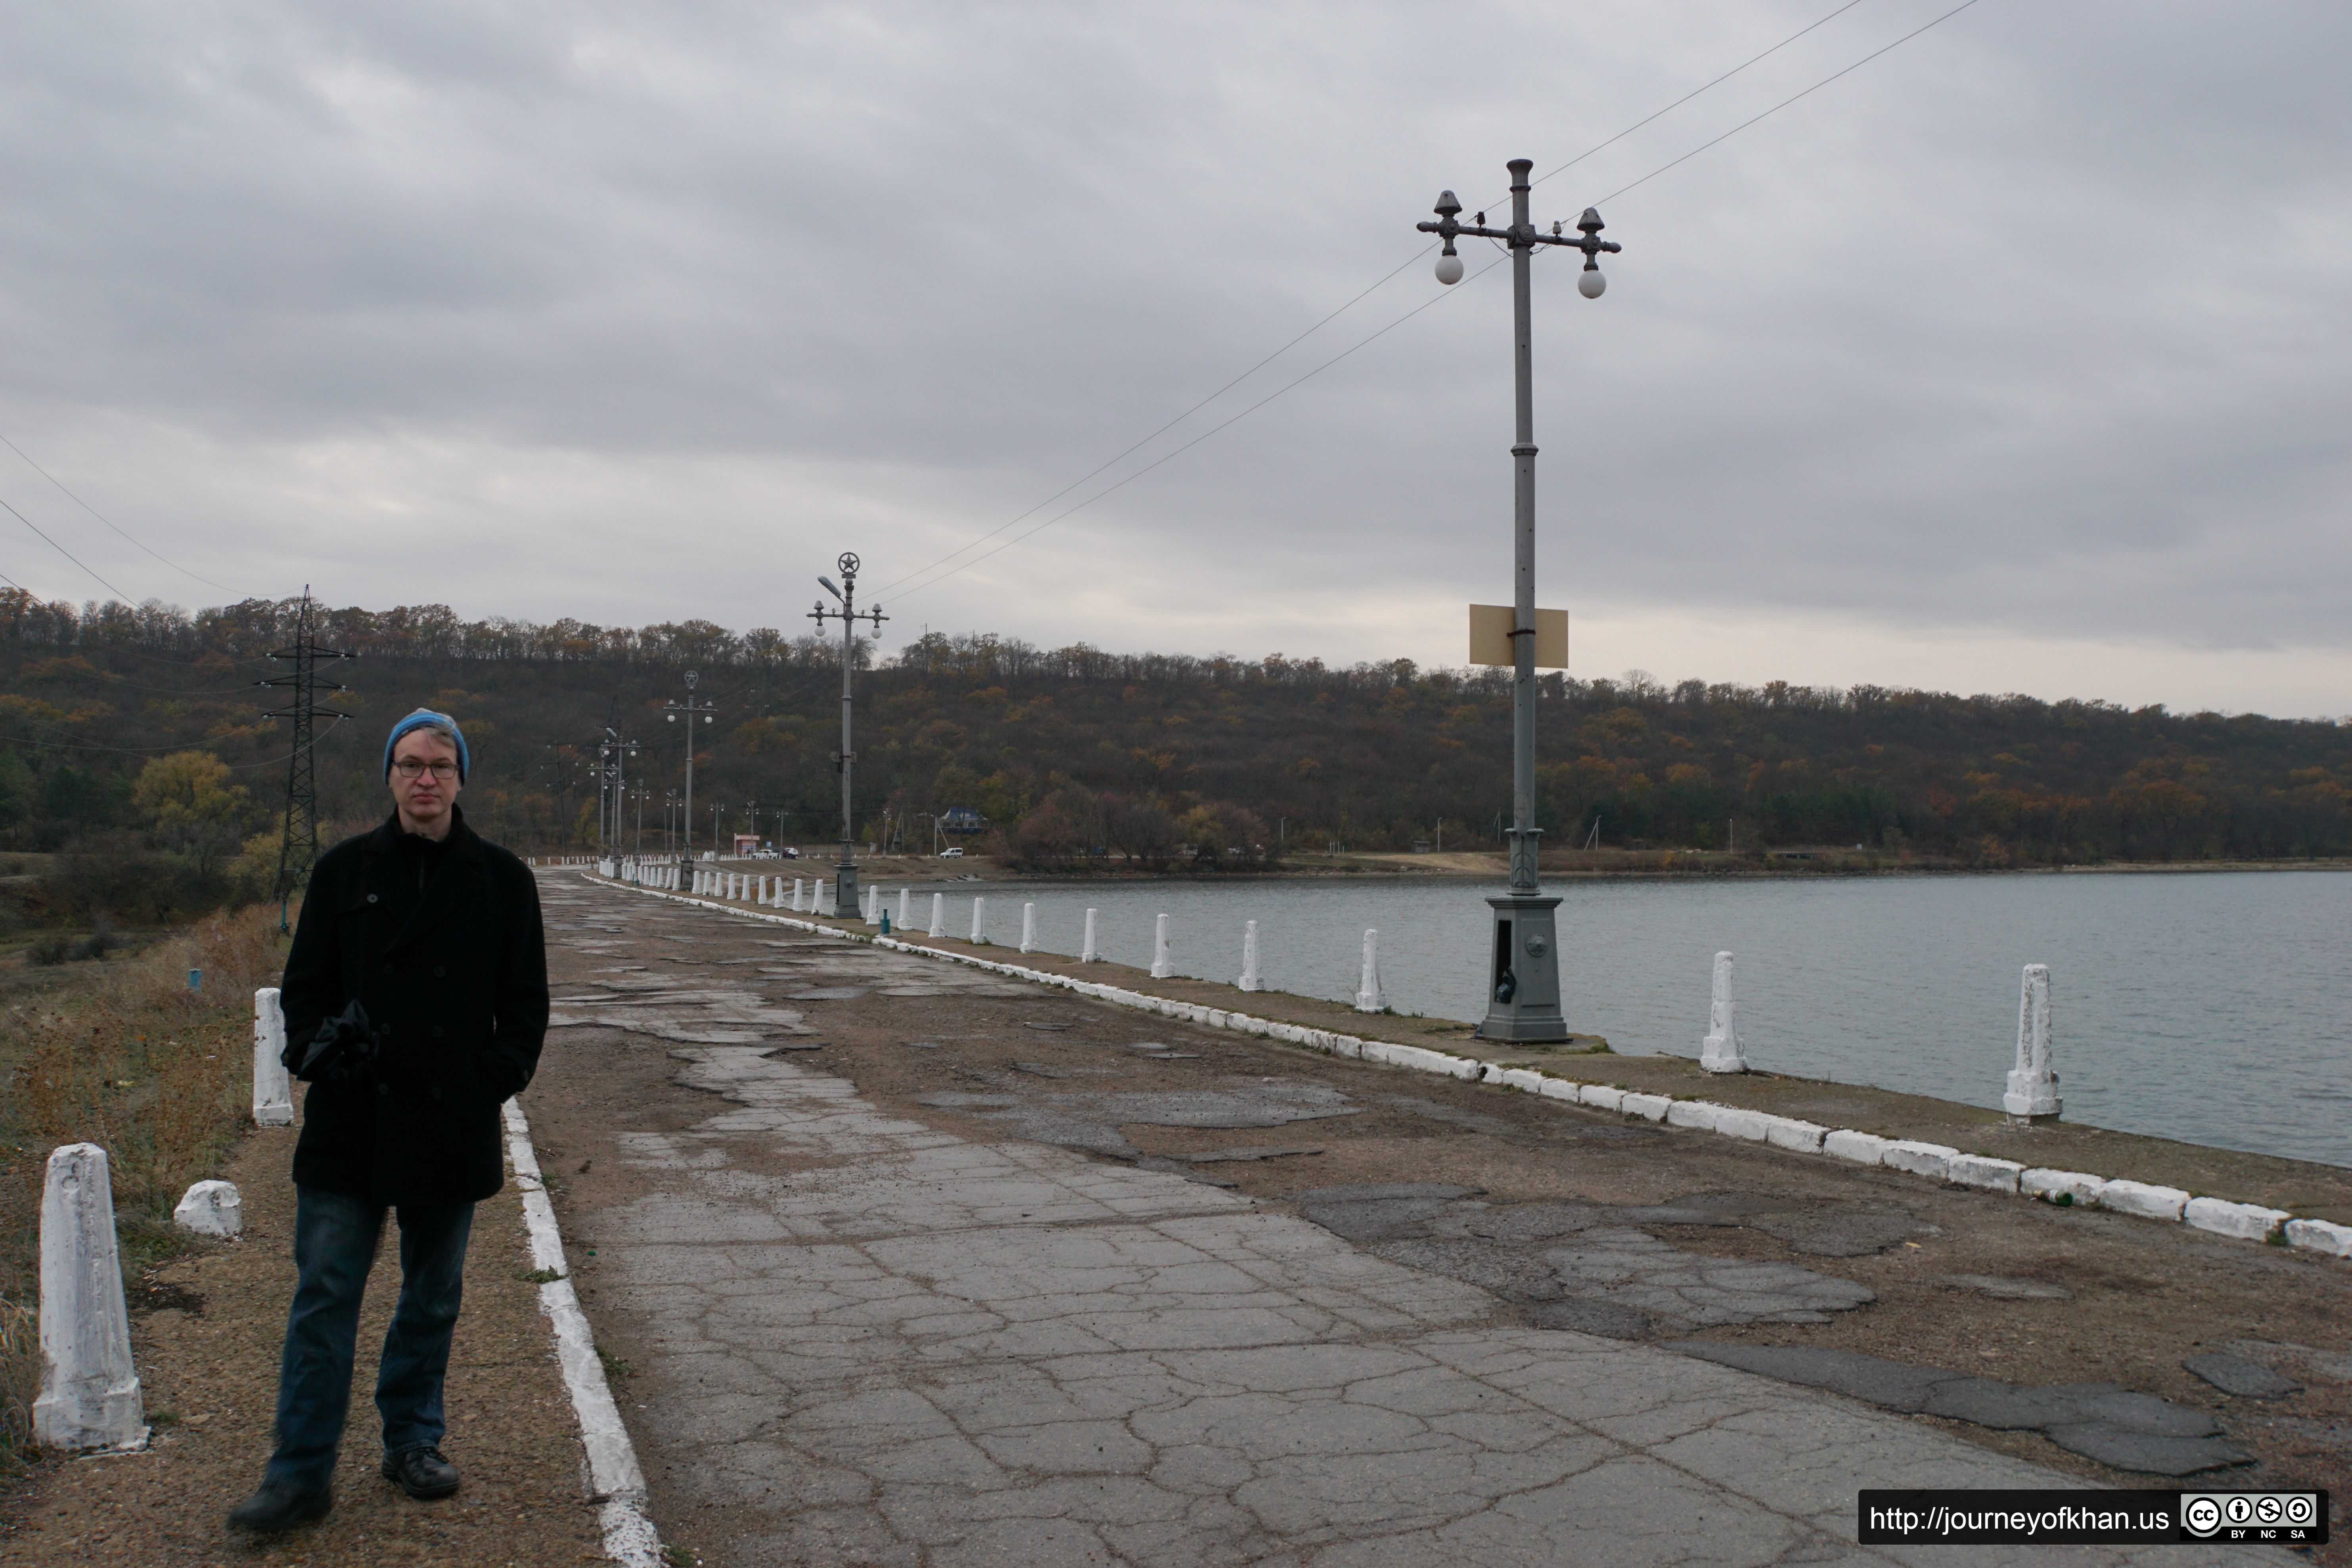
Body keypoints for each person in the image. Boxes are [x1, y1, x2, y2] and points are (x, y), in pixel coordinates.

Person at [228, 709, 549, 1533]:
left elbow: (524, 1006)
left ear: (460, 778)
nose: (424, 779)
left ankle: (412, 1440)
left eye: (440, 764)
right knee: (325, 1294)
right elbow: (304, 991)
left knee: (431, 1296)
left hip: (450, 1116)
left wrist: (490, 1080)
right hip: (352, 1117)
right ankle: (298, 1473)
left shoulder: (503, 879)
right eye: (409, 764)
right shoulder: (342, 871)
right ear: (390, 776)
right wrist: (316, 1050)